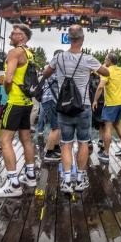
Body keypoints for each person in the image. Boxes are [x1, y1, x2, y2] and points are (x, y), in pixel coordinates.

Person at [43, 25, 109, 193]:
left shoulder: (58, 57)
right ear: (82, 39)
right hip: (83, 106)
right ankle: (80, 179)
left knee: (66, 144)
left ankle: (66, 181)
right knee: (83, 142)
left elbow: (46, 73)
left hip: (64, 107)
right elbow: (106, 72)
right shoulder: (88, 59)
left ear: (68, 38)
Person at [0, 23, 37, 198]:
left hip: (15, 102)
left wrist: (7, 89)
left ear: (22, 37)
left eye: (14, 33)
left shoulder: (14, 52)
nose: (11, 35)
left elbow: (8, 79)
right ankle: (31, 177)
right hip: (26, 103)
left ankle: (13, 184)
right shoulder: (29, 53)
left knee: (5, 142)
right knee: (26, 140)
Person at [92, 52, 121, 163]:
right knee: (117, 124)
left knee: (108, 128)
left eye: (106, 59)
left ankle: (106, 154)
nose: (104, 61)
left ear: (109, 61)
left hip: (111, 104)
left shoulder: (107, 71)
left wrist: (95, 100)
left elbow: (100, 87)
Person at [42, 51, 63, 161]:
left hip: (52, 100)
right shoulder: (54, 71)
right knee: (55, 127)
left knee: (58, 126)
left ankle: (55, 147)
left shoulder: (52, 69)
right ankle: (49, 153)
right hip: (51, 100)